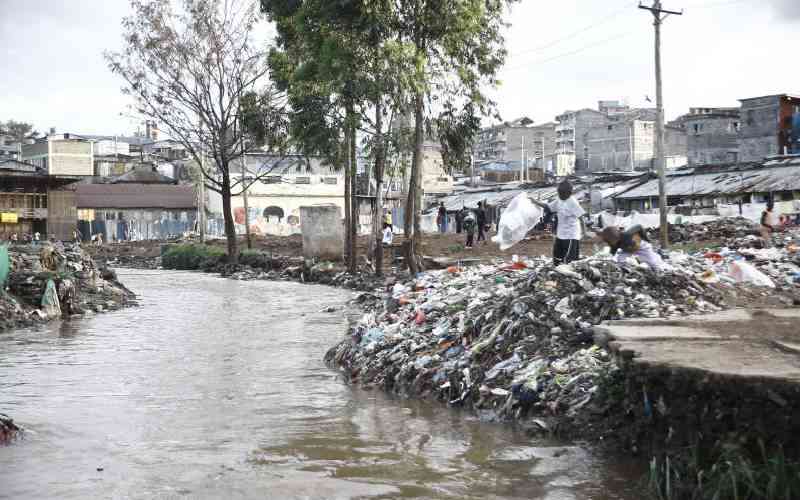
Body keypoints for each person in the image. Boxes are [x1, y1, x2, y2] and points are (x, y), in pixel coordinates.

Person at [535, 180, 585, 265]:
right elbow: (548, 207)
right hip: (560, 233)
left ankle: (568, 275)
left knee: (568, 260)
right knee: (557, 257)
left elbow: (581, 217)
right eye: (559, 193)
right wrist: (535, 202)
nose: (560, 195)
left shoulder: (573, 202)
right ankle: (558, 271)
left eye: (562, 194)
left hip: (571, 235)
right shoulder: (559, 200)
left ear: (568, 193)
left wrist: (584, 232)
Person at [599, 225, 665, 271]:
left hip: (641, 247)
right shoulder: (613, 243)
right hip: (628, 250)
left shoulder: (627, 235)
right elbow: (613, 250)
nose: (611, 243)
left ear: (616, 236)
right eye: (609, 241)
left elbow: (639, 226)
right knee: (620, 259)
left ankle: (659, 272)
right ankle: (624, 271)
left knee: (651, 262)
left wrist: (647, 239)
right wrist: (610, 258)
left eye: (611, 240)